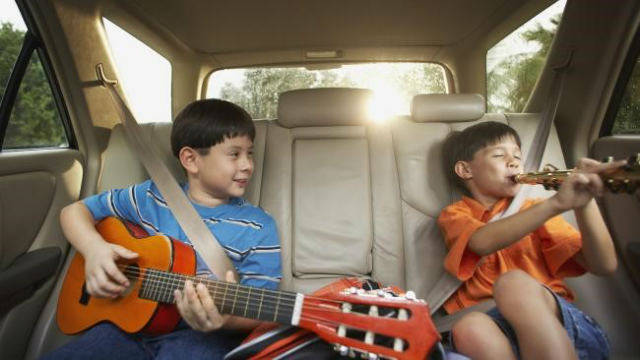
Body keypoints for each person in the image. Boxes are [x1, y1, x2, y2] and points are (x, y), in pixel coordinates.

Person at [44, 99, 282, 359]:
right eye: (235, 154)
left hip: (201, 337)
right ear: (190, 160)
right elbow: (74, 212)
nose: (247, 164)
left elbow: (261, 307)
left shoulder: (259, 227)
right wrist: (94, 250)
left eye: (250, 153)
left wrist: (226, 321)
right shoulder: (149, 197)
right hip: (124, 327)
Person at [437, 121, 621, 360]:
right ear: (465, 170)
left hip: (564, 329)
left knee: (513, 284)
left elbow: (604, 265)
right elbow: (480, 242)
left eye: (517, 156)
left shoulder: (535, 210)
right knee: (467, 328)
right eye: (499, 155)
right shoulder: (456, 215)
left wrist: (584, 202)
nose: (514, 162)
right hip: (497, 330)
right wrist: (555, 204)